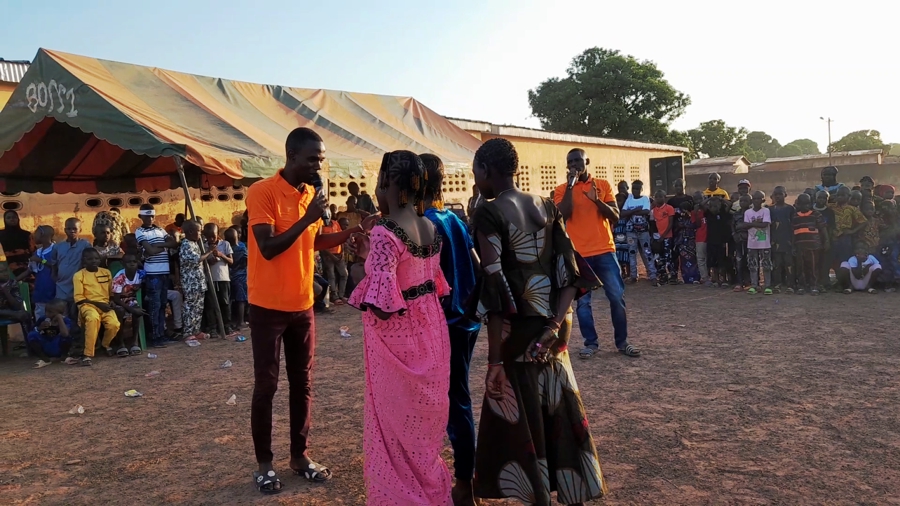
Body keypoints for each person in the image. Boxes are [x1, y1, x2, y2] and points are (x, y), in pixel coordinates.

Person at [468, 138, 606, 504]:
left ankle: (539, 496)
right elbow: (570, 274)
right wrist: (552, 328)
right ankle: (571, 488)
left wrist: (494, 360)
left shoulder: (489, 213)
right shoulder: (546, 204)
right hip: (554, 328)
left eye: (475, 171)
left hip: (518, 332)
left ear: (485, 170)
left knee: (522, 416)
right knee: (556, 405)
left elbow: (495, 292)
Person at [246, 127, 376, 493]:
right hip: (267, 307)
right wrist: (308, 216)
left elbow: (314, 241)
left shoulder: (310, 196)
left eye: (321, 158)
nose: (318, 165)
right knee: (266, 386)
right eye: (312, 159)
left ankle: (299, 456)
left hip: (303, 306)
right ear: (291, 156)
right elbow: (269, 246)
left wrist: (347, 235)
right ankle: (264, 463)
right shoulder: (263, 192)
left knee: (302, 383)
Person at [347, 150, 454, 504]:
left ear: (389, 185)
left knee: (394, 431)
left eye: (379, 183)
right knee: (422, 432)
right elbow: (417, 279)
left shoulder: (384, 231)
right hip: (432, 335)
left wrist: (368, 260)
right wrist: (371, 257)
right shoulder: (431, 228)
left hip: (399, 343)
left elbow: (381, 304)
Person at [418, 153, 482, 504]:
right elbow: (477, 266)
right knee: (458, 398)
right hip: (467, 320)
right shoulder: (452, 219)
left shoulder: (426, 224)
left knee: (455, 402)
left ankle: (464, 483)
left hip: (446, 323)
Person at [555, 149, 638, 359]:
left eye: (578, 160)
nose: (574, 165)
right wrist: (571, 187)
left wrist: (597, 201)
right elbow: (562, 215)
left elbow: (616, 216)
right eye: (570, 162)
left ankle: (622, 342)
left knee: (616, 297)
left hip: (604, 251)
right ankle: (590, 343)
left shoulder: (602, 185)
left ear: (587, 162)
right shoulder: (561, 189)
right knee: (583, 303)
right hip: (578, 254)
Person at [135, 204, 178, 348]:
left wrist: (158, 245)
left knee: (162, 305)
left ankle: (161, 334)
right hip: (152, 273)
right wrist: (163, 244)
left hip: (164, 272)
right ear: (140, 216)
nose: (150, 218)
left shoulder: (160, 229)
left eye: (152, 216)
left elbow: (173, 243)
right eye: (147, 216)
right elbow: (150, 251)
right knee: (155, 305)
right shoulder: (139, 231)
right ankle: (155, 336)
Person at [72, 248, 120, 366]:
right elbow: (79, 298)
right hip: (87, 305)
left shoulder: (106, 272)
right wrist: (98, 304)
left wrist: (112, 300)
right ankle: (88, 354)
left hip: (105, 305)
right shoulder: (79, 275)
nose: (94, 261)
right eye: (90, 259)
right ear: (84, 261)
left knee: (114, 324)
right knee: (93, 319)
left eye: (96, 258)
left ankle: (105, 344)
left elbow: (111, 292)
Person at [50, 218, 92, 312]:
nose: (72, 231)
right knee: (62, 311)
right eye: (69, 229)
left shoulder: (85, 245)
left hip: (78, 285)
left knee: (76, 312)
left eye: (74, 229)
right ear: (65, 230)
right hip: (61, 285)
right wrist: (54, 276)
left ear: (80, 230)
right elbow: (54, 263)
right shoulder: (58, 247)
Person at [110, 253, 148, 356]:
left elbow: (145, 281)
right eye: (128, 262)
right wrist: (132, 310)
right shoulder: (119, 278)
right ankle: (121, 343)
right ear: (123, 264)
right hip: (119, 300)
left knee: (137, 310)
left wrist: (140, 284)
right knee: (120, 311)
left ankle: (134, 342)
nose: (132, 264)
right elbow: (117, 299)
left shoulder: (141, 274)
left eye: (134, 262)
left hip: (131, 300)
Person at [179, 220, 211, 341]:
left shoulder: (195, 243)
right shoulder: (186, 244)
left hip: (199, 281)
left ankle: (196, 330)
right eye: (198, 231)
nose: (200, 233)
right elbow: (196, 259)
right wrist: (209, 252)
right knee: (190, 306)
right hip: (191, 282)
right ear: (191, 231)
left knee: (198, 307)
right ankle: (188, 332)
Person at [622, 180, 656, 284]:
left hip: (643, 231)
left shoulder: (645, 198)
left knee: (647, 252)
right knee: (632, 253)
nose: (635, 190)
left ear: (642, 189)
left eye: (638, 188)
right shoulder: (629, 199)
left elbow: (646, 211)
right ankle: (633, 275)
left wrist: (631, 211)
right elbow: (623, 213)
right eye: (634, 188)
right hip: (631, 231)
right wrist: (636, 209)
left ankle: (652, 274)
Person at [792, 193, 827, 295]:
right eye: (802, 204)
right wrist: (793, 246)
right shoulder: (795, 216)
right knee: (800, 267)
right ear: (798, 204)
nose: (805, 206)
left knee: (812, 267)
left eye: (807, 203)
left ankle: (814, 286)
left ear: (811, 203)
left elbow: (823, 229)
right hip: (799, 246)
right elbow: (793, 232)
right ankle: (801, 286)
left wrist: (826, 241)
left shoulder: (816, 214)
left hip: (813, 246)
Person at [25, 298, 79, 364]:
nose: (47, 314)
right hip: (46, 345)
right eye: (46, 311)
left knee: (66, 337)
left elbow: (65, 334)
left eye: (50, 312)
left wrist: (59, 319)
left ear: (61, 313)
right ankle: (44, 358)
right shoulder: (43, 319)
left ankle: (63, 357)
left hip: (58, 347)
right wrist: (39, 328)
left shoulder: (66, 321)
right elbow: (33, 331)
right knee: (32, 335)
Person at [203, 222, 234, 336]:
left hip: (223, 278)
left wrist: (221, 255)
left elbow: (231, 261)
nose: (211, 239)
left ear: (218, 234)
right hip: (209, 279)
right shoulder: (203, 246)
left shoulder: (225, 244)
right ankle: (213, 328)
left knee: (225, 303)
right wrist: (209, 259)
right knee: (210, 305)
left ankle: (227, 325)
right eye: (208, 236)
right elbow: (201, 261)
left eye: (213, 236)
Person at [830, 187, 867, 274]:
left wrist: (853, 231)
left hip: (845, 237)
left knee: (845, 259)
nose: (840, 197)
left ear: (849, 196)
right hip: (833, 237)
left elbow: (864, 222)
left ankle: (844, 280)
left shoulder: (852, 209)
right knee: (833, 259)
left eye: (843, 195)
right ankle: (837, 279)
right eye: (838, 195)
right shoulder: (831, 207)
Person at [745, 191, 773, 295]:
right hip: (752, 243)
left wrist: (751, 224)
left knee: (766, 265)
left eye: (759, 199)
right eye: (755, 199)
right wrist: (758, 223)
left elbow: (765, 224)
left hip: (764, 243)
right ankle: (754, 285)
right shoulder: (747, 212)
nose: (757, 201)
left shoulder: (766, 211)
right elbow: (745, 225)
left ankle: (767, 285)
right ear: (752, 200)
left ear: (763, 200)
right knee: (753, 264)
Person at [0, 261, 30, 357]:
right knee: (18, 314)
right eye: (1, 272)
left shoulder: (12, 283)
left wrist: (6, 292)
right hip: (7, 313)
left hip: (10, 311)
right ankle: (4, 352)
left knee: (25, 316)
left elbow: (17, 305)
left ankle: (31, 349)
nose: (5, 273)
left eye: (5, 271)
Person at [27, 225, 56, 320]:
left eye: (35, 234)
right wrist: (16, 280)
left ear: (42, 234)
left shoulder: (55, 249)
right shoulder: (38, 251)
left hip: (52, 290)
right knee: (40, 317)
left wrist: (40, 260)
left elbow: (55, 266)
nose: (34, 237)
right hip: (40, 290)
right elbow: (30, 270)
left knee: (53, 316)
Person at [769, 186, 795, 294]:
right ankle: (777, 284)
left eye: (780, 194)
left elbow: (794, 225)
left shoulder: (790, 209)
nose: (778, 196)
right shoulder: (770, 209)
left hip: (788, 240)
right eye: (776, 194)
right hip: (775, 241)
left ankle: (790, 285)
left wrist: (793, 241)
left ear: (785, 195)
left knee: (789, 263)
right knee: (777, 264)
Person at [667, 179, 693, 280]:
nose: (678, 188)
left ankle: (688, 275)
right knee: (674, 253)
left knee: (688, 253)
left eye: (680, 186)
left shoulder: (689, 199)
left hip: (688, 232)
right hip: (675, 231)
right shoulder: (671, 201)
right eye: (676, 186)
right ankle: (673, 274)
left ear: (684, 186)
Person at [319, 218, 348, 306]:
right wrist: (331, 256)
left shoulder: (335, 223)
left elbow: (341, 237)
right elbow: (321, 244)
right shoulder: (321, 225)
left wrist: (342, 252)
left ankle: (341, 295)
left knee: (344, 274)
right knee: (331, 276)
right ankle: (334, 297)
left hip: (339, 255)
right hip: (328, 256)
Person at [0, 210, 36, 279]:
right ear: (4, 220)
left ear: (18, 219)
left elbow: (33, 251)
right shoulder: (1, 234)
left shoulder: (26, 234)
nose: (12, 219)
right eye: (8, 218)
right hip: (5, 267)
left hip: (25, 267)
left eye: (14, 217)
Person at [225, 227, 248, 329]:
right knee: (241, 300)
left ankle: (229, 321)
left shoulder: (226, 248)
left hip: (229, 276)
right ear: (237, 236)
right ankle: (241, 322)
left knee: (229, 299)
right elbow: (248, 260)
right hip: (241, 276)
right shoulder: (242, 248)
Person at [704, 197, 731, 287]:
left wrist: (721, 199)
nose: (714, 208)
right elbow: (701, 205)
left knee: (722, 261)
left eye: (716, 206)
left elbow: (729, 204)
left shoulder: (723, 213)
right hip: (711, 241)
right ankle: (715, 279)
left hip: (721, 241)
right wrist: (709, 199)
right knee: (713, 261)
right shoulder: (708, 214)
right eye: (712, 206)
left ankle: (723, 279)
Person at [651, 189, 676, 285]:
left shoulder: (669, 208)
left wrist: (664, 235)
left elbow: (670, 224)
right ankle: (663, 276)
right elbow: (652, 224)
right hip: (658, 237)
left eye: (660, 196)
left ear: (665, 198)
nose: (658, 199)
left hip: (667, 237)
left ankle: (672, 275)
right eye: (656, 197)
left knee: (668, 256)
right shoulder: (653, 211)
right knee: (659, 257)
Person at [731, 194, 752, 292]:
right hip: (739, 240)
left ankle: (749, 281)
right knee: (739, 261)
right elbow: (733, 225)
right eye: (741, 201)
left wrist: (742, 227)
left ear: (750, 202)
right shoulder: (736, 214)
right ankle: (739, 282)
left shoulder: (752, 213)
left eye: (745, 201)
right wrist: (734, 233)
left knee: (750, 261)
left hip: (750, 241)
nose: (743, 203)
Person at [614, 181, 631, 279]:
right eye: (619, 188)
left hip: (626, 232)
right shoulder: (616, 206)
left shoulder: (630, 201)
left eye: (623, 187)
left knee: (628, 253)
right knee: (619, 252)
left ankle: (630, 273)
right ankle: (622, 272)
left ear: (627, 187)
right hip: (618, 233)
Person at [692, 191, 709, 282]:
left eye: (700, 199)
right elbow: (697, 224)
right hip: (700, 238)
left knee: (710, 258)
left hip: (710, 237)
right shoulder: (694, 212)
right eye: (696, 199)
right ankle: (704, 276)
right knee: (701, 258)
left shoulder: (709, 209)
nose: (698, 201)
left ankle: (714, 276)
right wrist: (696, 212)